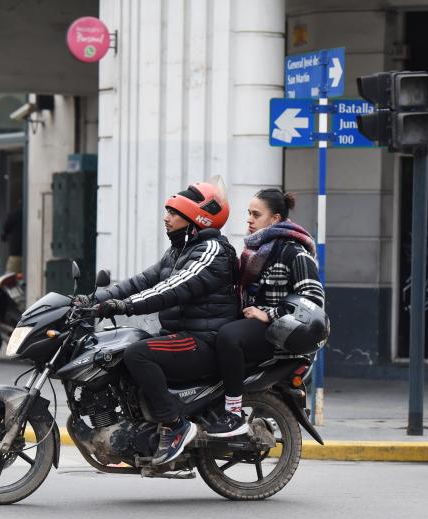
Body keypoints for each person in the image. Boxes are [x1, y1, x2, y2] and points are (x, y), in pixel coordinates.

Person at [93, 179, 240, 466]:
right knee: (121, 348)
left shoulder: (211, 251)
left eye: (174, 212)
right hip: (180, 333)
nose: (166, 217)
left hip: (203, 339)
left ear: (195, 218)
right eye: (168, 211)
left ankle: (174, 425)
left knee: (138, 353)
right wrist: (93, 300)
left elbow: (171, 288)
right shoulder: (178, 251)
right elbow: (141, 281)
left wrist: (124, 306)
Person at [203, 189, 323, 437]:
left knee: (228, 337)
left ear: (275, 219)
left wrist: (268, 314)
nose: (249, 219)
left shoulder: (295, 253)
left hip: (281, 334)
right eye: (248, 213)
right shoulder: (254, 252)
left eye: (256, 214)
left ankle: (234, 413)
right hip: (256, 327)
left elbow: (312, 300)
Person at [2, 205, 24, 274]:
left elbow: (6, 228)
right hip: (31, 252)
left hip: (16, 252)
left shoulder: (15, 213)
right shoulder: (31, 212)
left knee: (10, 277)